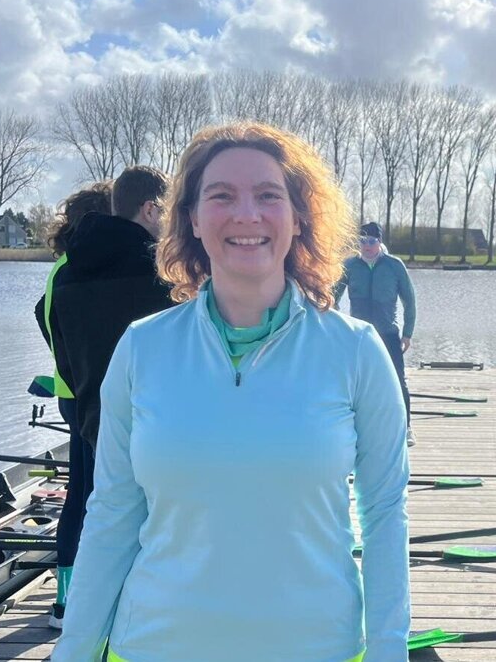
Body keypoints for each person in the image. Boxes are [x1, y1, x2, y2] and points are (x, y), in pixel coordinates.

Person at [53, 122, 411, 662]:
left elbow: (384, 512)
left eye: (269, 195)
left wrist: (389, 650)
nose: (247, 214)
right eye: (221, 196)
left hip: (317, 647)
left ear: (299, 218)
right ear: (192, 219)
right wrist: (73, 651)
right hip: (153, 646)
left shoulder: (356, 350)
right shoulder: (142, 347)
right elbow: (113, 513)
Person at [46, 166, 174, 628]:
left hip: (96, 420)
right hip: (161, 427)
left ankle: (80, 615)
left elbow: (58, 342)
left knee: (99, 519)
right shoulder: (163, 270)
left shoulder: (66, 273)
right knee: (156, 536)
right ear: (148, 208)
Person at [32, 182, 112, 628]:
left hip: (71, 393)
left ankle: (65, 600)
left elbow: (42, 319)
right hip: (83, 397)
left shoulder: (63, 267)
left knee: (80, 494)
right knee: (89, 496)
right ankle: (73, 604)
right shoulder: (75, 271)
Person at [334, 221, 418, 447]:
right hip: (358, 335)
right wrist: (337, 325)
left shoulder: (394, 265)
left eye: (371, 241)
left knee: (398, 380)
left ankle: (406, 428)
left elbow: (409, 300)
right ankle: (355, 428)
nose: (367, 246)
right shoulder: (350, 265)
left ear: (379, 242)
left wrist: (407, 333)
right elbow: (332, 296)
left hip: (388, 333)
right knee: (354, 383)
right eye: (362, 241)